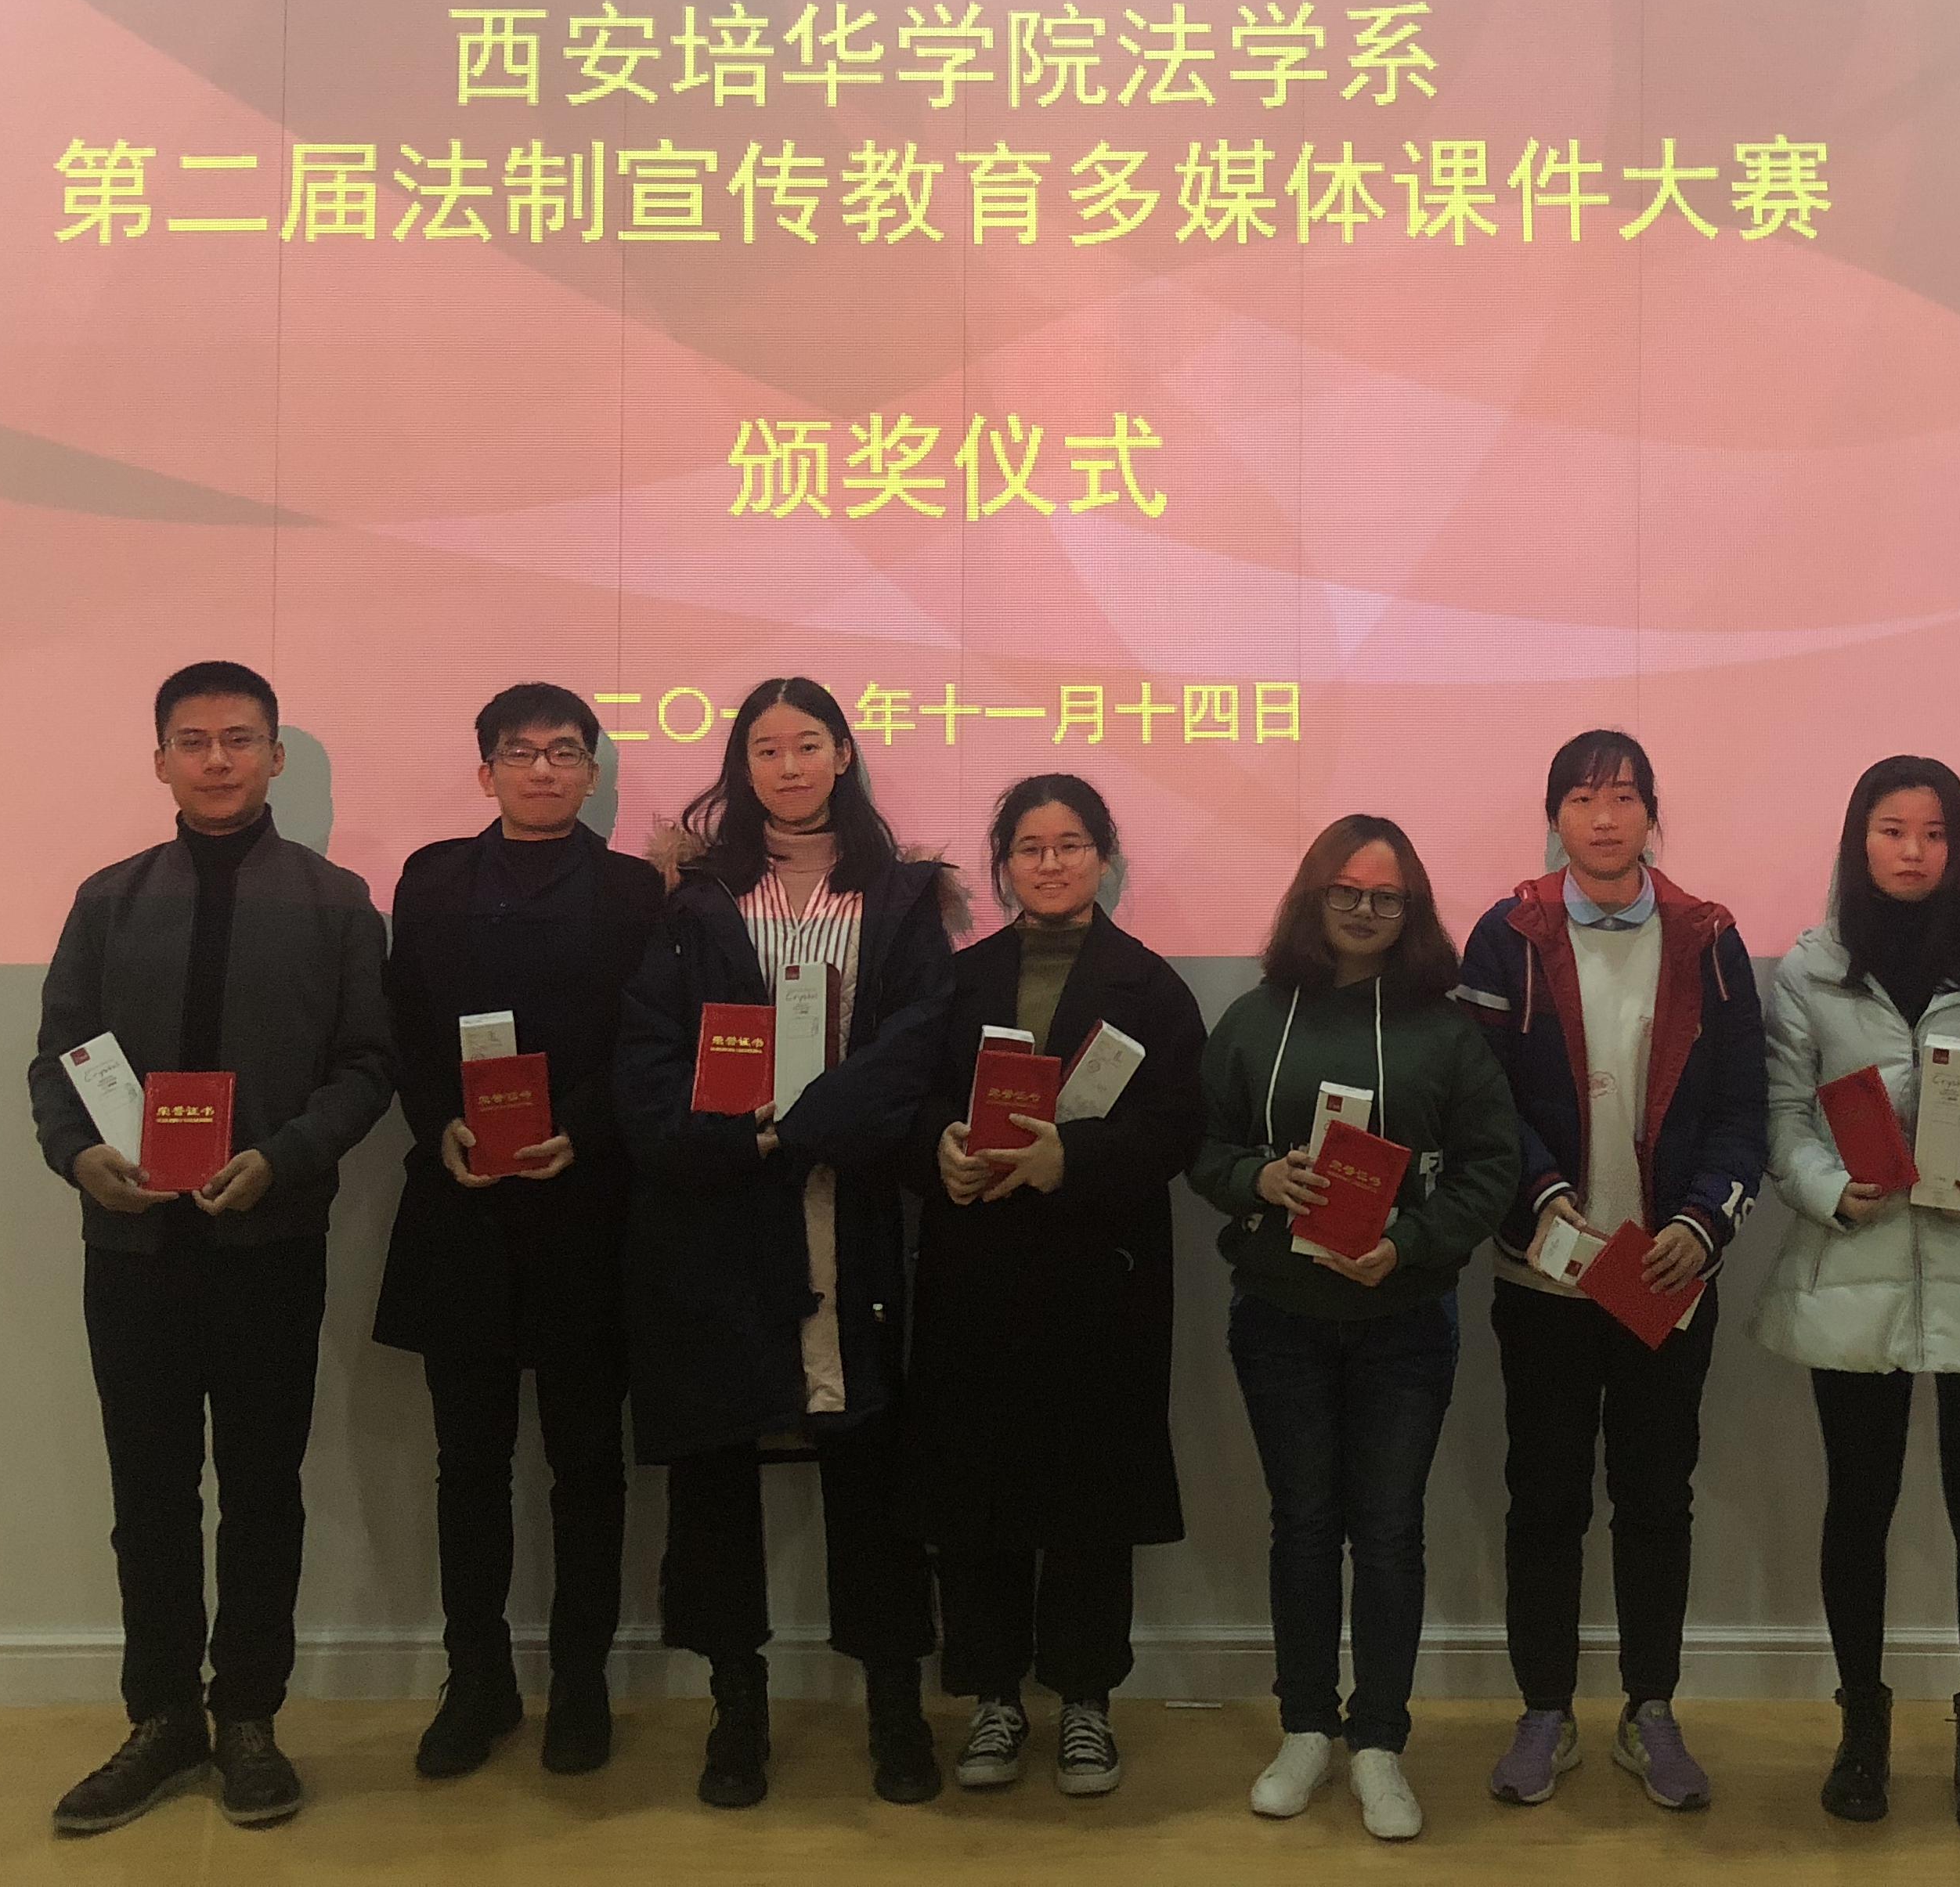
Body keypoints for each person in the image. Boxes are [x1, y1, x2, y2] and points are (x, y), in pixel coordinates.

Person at [27, 662, 394, 1834]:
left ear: (275, 757)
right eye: (194, 741)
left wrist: (282, 1158)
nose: (218, 759)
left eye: (240, 739)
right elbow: (60, 1062)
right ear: (161, 762)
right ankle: (161, 1720)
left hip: (268, 1242)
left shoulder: (337, 902)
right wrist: (79, 1156)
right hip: (132, 1249)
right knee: (147, 1493)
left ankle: (247, 1719)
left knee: (263, 1492)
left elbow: (369, 1068)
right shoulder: (107, 900)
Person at [612, 676, 957, 1809]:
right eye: (766, 749)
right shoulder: (695, 897)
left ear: (845, 753)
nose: (789, 766)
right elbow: (649, 1055)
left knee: (871, 1464)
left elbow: (917, 1041)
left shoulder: (899, 896)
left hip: (850, 1206)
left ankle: (895, 1703)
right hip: (721, 1214)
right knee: (718, 1466)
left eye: (808, 744)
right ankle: (737, 1707)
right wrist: (740, 1140)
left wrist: (806, 1126)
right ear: (742, 766)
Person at [1748, 754, 1960, 1836]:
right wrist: (1826, 1189)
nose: (1912, 851)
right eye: (1891, 831)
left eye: (1934, 834)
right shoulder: (1811, 972)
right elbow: (1783, 1120)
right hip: (1856, 1270)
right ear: (1859, 843)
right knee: (1859, 1509)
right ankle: (1863, 1731)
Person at [1189, 814, 1520, 1844]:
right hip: (1278, 1318)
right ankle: (1305, 1728)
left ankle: (1379, 1739)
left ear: (1411, 909)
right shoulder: (1253, 1020)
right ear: (1313, 896)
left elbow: (1491, 1169)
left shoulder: (1446, 1033)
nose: (1366, 910)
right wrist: (1260, 1179)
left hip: (1404, 1321)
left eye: (1387, 896)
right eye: (1348, 891)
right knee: (1301, 1525)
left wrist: (1408, 1244)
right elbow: (1203, 1148)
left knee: (1387, 1532)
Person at [1456, 730, 1767, 1814]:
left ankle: (1650, 1709)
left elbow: (1743, 1110)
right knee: (1544, 1498)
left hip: (1665, 1275)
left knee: (1655, 1498)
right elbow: (1479, 1099)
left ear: (1651, 815)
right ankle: (1545, 1710)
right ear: (1555, 816)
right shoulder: (1507, 935)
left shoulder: (1708, 938)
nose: (1604, 817)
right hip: (1545, 1275)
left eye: (1625, 797)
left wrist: (1705, 1221)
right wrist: (1541, 1195)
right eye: (1583, 798)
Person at [369, 685, 666, 1781]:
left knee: (588, 1463)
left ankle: (581, 1682)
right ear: (485, 770)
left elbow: (650, 1038)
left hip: (587, 1206)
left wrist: (580, 1129)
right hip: (464, 1204)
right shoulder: (432, 878)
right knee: (468, 1464)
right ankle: (477, 1681)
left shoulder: (634, 891)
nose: (544, 770)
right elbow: (404, 1027)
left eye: (566, 752)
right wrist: (438, 1122)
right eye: (521, 752)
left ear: (592, 773)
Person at [899, 774, 1209, 1798]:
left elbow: (1178, 1129)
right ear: (1004, 867)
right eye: (1030, 848)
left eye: (1071, 844)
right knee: (976, 1494)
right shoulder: (958, 979)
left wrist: (1069, 1158)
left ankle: (1084, 1700)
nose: (1051, 863)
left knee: (1089, 1500)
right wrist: (938, 1149)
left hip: (1098, 1280)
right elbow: (915, 1097)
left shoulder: (1151, 987)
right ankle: (993, 1696)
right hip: (975, 1270)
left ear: (1103, 858)